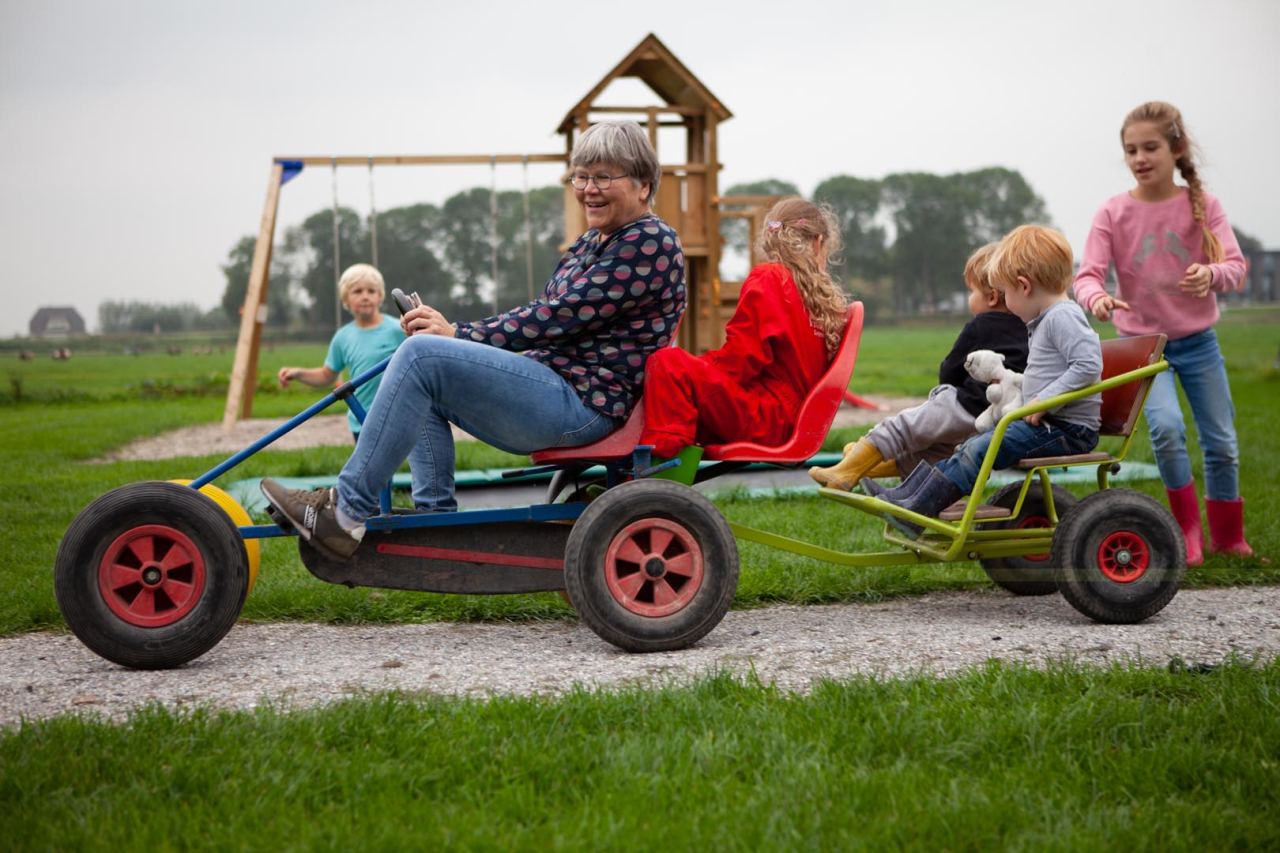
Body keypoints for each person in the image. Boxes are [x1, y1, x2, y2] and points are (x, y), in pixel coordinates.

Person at [261, 121, 686, 560]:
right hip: (555, 384)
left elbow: (558, 315)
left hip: (584, 404)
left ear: (643, 186)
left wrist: (461, 334)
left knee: (422, 356)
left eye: (603, 177)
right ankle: (434, 523)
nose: (588, 189)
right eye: (581, 176)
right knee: (418, 368)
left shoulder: (650, 242)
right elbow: (548, 316)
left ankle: (344, 513)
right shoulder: (591, 243)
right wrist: (458, 343)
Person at [1074, 101, 1252, 564]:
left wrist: (1211, 275)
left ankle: (1229, 539)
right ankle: (1186, 533)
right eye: (1131, 150)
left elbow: (1235, 267)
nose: (1139, 158)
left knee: (1221, 443)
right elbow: (1086, 277)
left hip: (1199, 345)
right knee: (1168, 431)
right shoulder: (1112, 212)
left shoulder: (1204, 206)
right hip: (1144, 352)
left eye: (1150, 147)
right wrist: (1099, 299)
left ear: (1176, 149)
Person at [865, 225, 1102, 538]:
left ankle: (915, 510)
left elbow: (1088, 364)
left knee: (978, 450)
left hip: (1067, 429)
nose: (1006, 302)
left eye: (1006, 293)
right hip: (1049, 424)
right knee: (971, 446)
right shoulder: (1046, 319)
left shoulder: (1062, 316)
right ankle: (909, 498)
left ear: (1024, 286)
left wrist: (1045, 400)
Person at [638, 197, 848, 459]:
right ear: (818, 243)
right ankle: (662, 471)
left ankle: (655, 470)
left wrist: (697, 367)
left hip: (766, 419)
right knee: (683, 375)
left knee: (668, 363)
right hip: (788, 420)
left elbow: (740, 363)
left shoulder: (770, 278)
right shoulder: (823, 299)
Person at [809, 241, 1028, 491]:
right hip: (993, 421)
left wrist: (944, 395)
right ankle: (866, 465)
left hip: (964, 405)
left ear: (991, 297)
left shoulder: (982, 324)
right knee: (938, 453)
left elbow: (950, 369)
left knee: (902, 427)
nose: (970, 299)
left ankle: (845, 472)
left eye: (972, 292)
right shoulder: (1028, 328)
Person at [277, 263, 404, 442]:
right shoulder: (343, 337)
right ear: (346, 299)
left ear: (380, 296)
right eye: (357, 291)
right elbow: (327, 375)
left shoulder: (398, 329)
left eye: (371, 291)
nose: (365, 296)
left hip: (397, 417)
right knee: (370, 470)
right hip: (362, 419)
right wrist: (298, 373)